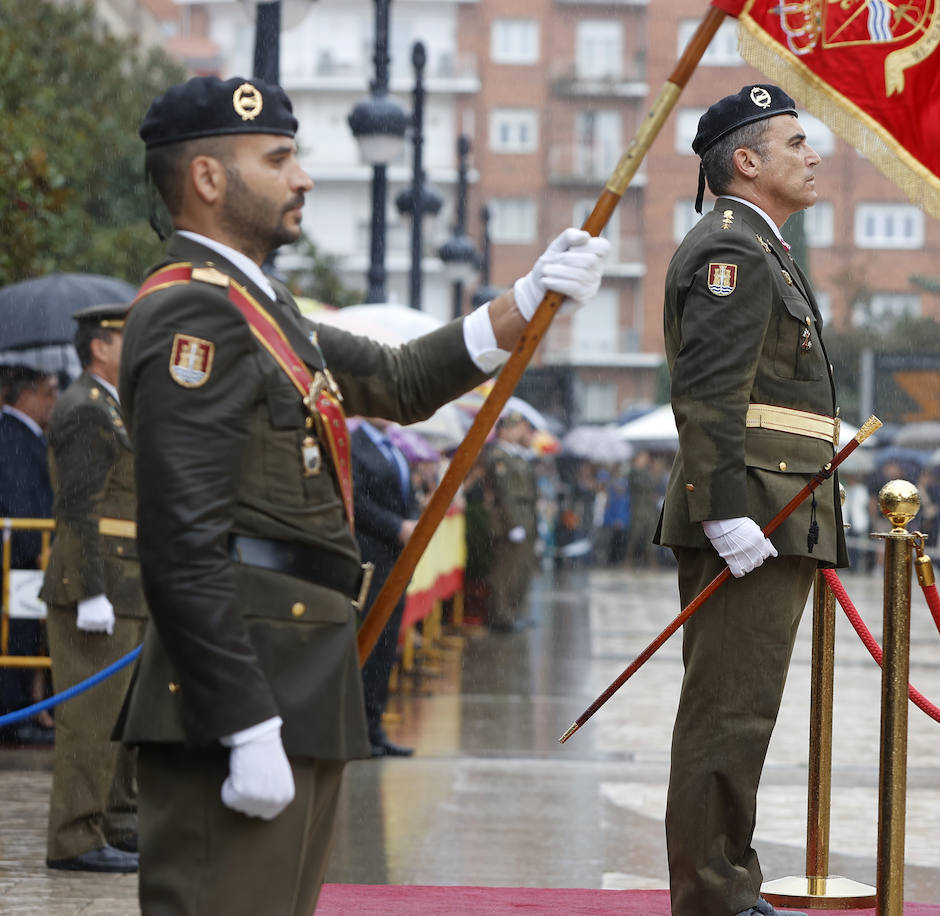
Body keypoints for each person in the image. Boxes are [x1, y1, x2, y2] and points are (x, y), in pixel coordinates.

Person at [117, 75, 608, 916]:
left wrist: (525, 300)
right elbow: (180, 539)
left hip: (300, 668)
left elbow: (400, 376)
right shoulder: (190, 315)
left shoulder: (263, 308)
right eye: (278, 158)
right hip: (241, 685)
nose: (302, 177)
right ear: (206, 178)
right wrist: (243, 722)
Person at [654, 84, 842, 916]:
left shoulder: (766, 251)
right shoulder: (730, 251)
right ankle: (712, 898)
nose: (813, 155)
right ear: (747, 161)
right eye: (795, 142)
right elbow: (708, 394)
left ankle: (726, 882)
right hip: (750, 513)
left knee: (745, 712)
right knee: (724, 714)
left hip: (777, 511)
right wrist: (724, 510)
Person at [39, 303, 145, 873]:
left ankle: (117, 821)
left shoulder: (116, 407)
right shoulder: (86, 409)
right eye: (130, 337)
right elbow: (79, 509)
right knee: (90, 720)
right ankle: (75, 837)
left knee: (124, 719)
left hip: (130, 585)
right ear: (100, 347)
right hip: (99, 586)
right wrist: (89, 592)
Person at [0, 366, 60, 745]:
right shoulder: (13, 436)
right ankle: (14, 711)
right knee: (17, 633)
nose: (54, 401)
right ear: (26, 395)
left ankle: (26, 707)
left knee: (27, 632)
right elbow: (20, 499)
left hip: (29, 553)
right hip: (22, 555)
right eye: (48, 392)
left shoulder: (27, 435)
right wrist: (37, 549)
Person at [350, 419, 417, 757]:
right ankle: (357, 729)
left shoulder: (395, 448)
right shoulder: (355, 443)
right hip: (369, 558)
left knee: (386, 645)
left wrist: (415, 520)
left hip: (395, 564)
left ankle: (375, 727)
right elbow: (356, 501)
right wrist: (396, 527)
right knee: (368, 644)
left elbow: (407, 496)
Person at [479, 415, 540, 631]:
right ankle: (500, 616)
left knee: (521, 569)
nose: (520, 432)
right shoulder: (498, 456)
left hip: (524, 516)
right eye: (516, 428)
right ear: (503, 431)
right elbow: (504, 494)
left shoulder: (518, 456)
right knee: (506, 571)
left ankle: (513, 613)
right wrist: (513, 524)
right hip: (508, 520)